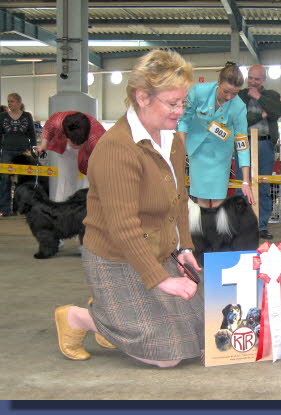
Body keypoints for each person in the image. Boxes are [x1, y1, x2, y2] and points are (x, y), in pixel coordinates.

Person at [53, 49, 204, 368]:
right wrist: (162, 280)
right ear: (142, 97)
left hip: (158, 251)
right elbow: (123, 228)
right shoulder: (115, 149)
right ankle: (82, 318)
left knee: (201, 337)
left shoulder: (173, 140)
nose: (180, 111)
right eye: (172, 103)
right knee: (168, 356)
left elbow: (178, 200)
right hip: (116, 257)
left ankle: (122, 320)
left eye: (182, 102)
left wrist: (185, 248)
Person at [177, 62, 254, 208]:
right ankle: (204, 230)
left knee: (219, 200)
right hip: (197, 151)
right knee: (201, 200)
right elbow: (184, 121)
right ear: (218, 83)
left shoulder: (239, 107)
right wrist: (181, 151)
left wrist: (245, 180)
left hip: (220, 155)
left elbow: (242, 142)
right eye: (226, 91)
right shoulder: (198, 92)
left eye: (235, 93)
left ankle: (217, 231)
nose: (229, 97)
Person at [236, 64, 281, 239]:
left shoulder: (272, 96)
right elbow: (241, 121)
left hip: (265, 145)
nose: (253, 82)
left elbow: (277, 111)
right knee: (242, 185)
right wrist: (260, 115)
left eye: (257, 79)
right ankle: (241, 225)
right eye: (251, 78)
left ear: (263, 80)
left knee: (264, 185)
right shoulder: (240, 96)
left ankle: (262, 225)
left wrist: (258, 97)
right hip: (244, 144)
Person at [36, 111, 106, 201]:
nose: (76, 146)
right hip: (66, 149)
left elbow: (102, 164)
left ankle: (86, 207)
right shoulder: (58, 121)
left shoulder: (97, 137)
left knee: (88, 183)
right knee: (64, 181)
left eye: (78, 144)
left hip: (90, 151)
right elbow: (48, 127)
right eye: (73, 143)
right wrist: (43, 145)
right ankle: (62, 208)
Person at [0, 93, 36, 217]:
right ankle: (4, 209)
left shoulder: (27, 116)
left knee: (23, 181)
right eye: (8, 101)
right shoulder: (3, 116)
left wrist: (33, 151)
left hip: (23, 151)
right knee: (5, 179)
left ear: (19, 103)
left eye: (12, 101)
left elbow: (32, 134)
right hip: (7, 151)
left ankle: (20, 208)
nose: (10, 103)